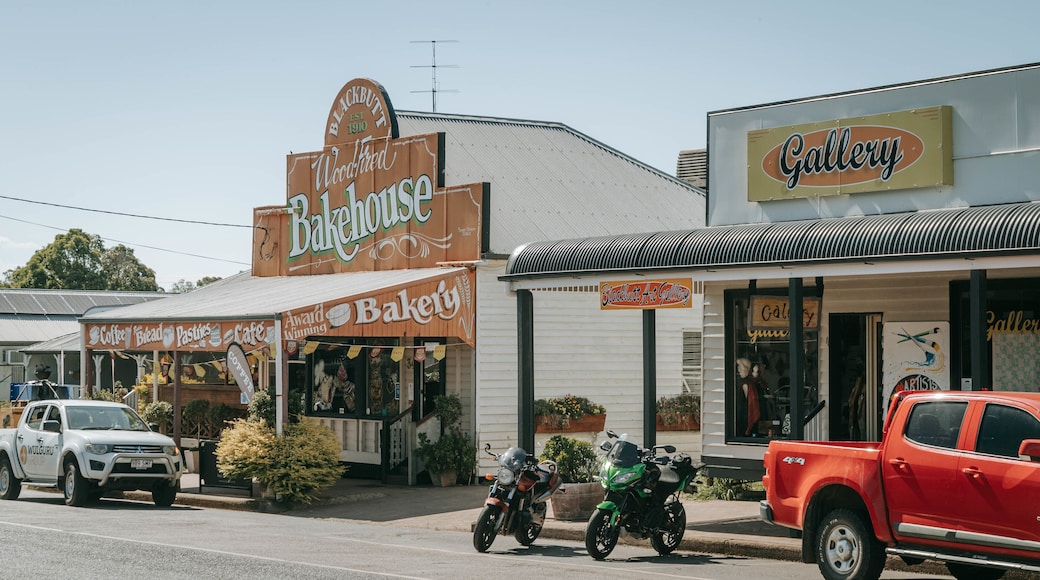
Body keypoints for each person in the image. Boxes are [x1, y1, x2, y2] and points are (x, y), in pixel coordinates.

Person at [736, 357, 761, 437]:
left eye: (740, 367)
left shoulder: (747, 384)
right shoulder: (743, 383)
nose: (738, 370)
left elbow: (750, 403)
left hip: (743, 415)